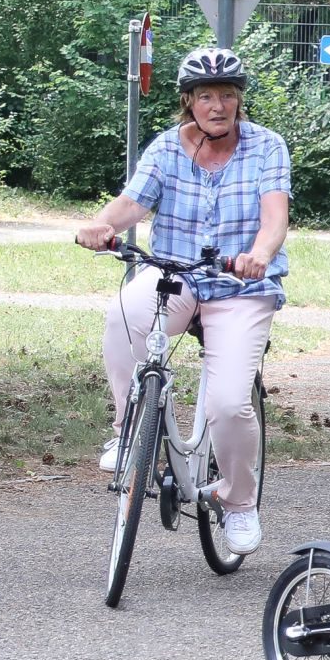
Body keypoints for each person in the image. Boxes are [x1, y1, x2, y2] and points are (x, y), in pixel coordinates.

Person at [75, 47, 289, 556]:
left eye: (228, 96)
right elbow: (133, 202)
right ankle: (131, 432)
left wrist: (259, 254)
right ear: (188, 102)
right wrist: (103, 226)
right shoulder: (168, 148)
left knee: (229, 403)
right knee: (125, 314)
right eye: (207, 96)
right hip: (175, 274)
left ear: (240, 100)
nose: (218, 105)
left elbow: (274, 218)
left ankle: (238, 504)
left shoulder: (266, 146)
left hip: (240, 286)